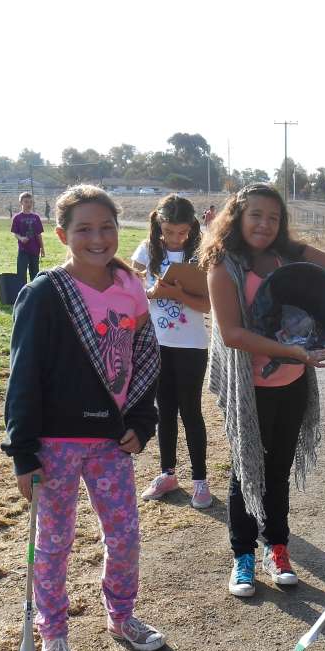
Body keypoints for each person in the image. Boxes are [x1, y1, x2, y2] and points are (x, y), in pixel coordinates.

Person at [2, 184, 165, 651]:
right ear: (61, 235)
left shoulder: (130, 286)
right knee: (53, 543)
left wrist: (141, 420)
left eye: (107, 227)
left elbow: (143, 358)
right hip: (54, 444)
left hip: (110, 443)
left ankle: (121, 615)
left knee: (125, 536)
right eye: (84, 229)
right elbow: (23, 374)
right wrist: (22, 452)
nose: (98, 238)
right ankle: (53, 633)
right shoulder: (44, 294)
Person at [200, 183, 325, 598]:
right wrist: (291, 350)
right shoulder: (224, 264)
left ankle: (278, 547)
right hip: (250, 388)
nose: (265, 224)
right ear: (238, 215)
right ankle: (243, 555)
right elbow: (234, 334)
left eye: (273, 217)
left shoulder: (291, 255)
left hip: (292, 384)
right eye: (256, 214)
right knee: (247, 469)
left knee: (278, 470)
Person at [131, 194, 213, 510]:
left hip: (191, 345)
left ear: (192, 227)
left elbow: (206, 305)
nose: (176, 238)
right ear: (158, 225)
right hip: (157, 344)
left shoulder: (202, 253)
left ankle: (200, 480)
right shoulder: (147, 250)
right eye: (169, 231)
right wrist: (151, 292)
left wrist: (177, 293)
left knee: (190, 411)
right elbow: (132, 288)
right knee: (163, 410)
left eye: (183, 232)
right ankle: (167, 474)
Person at [11, 191, 46, 285]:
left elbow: (39, 234)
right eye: (26, 202)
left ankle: (33, 292)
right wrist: (21, 238)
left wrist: (42, 248)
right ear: (21, 203)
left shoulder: (36, 217)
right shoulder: (17, 218)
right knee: (21, 274)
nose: (29, 204)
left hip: (35, 250)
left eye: (30, 202)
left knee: (34, 274)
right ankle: (22, 292)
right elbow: (15, 233)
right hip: (23, 250)